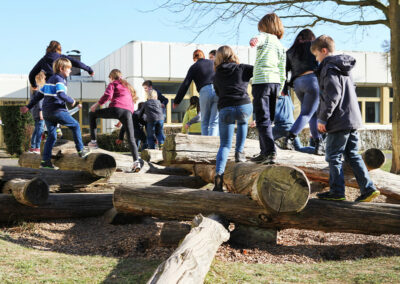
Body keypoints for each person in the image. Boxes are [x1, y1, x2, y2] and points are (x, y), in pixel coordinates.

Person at [311, 35, 380, 202]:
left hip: (338, 120)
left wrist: (323, 118)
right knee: (352, 155)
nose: (316, 59)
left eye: (316, 55)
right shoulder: (344, 68)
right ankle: (368, 188)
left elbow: (333, 95)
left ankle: (337, 191)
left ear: (324, 51)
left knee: (333, 156)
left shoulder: (329, 67)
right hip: (351, 118)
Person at [20, 58, 90, 169]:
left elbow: (38, 96)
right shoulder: (60, 79)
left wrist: (28, 107)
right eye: (69, 69)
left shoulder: (49, 80)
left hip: (47, 113)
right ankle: (81, 150)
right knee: (75, 125)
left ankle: (45, 161)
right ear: (61, 68)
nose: (70, 71)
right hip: (57, 110)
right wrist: (71, 100)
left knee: (52, 137)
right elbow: (61, 94)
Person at [212, 45, 253, 191]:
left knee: (224, 145)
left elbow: (217, 93)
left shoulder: (216, 75)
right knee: (242, 123)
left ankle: (218, 175)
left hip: (225, 108)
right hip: (243, 105)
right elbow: (258, 71)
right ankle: (239, 153)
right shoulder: (242, 68)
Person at [249, 13, 286, 165]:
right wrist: (280, 88)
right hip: (275, 84)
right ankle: (264, 151)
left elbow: (260, 39)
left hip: (262, 82)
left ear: (265, 27)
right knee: (268, 120)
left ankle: (270, 152)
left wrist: (255, 40)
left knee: (261, 119)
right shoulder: (281, 46)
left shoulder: (265, 37)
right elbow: (283, 70)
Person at [88, 69, 141, 172]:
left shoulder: (113, 84)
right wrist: (121, 120)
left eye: (109, 79)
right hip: (128, 113)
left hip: (117, 109)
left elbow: (108, 95)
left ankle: (93, 142)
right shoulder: (127, 86)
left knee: (92, 114)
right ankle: (136, 162)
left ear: (111, 77)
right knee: (131, 138)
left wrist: (97, 104)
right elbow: (127, 105)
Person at [281, 29, 324, 155]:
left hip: (298, 83)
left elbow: (284, 71)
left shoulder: (290, 51)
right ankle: (290, 138)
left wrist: (284, 89)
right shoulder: (314, 47)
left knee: (312, 114)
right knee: (306, 114)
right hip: (312, 81)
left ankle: (318, 145)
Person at [173, 49, 219, 136]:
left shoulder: (194, 67)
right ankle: (214, 146)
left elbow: (185, 84)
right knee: (214, 121)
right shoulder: (213, 63)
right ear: (204, 57)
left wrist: (177, 101)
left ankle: (206, 146)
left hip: (205, 91)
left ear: (194, 59)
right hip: (217, 90)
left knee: (205, 121)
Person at [29, 40, 94, 89]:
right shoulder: (62, 57)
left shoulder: (43, 60)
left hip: (49, 86)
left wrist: (34, 85)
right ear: (59, 49)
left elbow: (32, 74)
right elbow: (77, 62)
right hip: (61, 84)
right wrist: (89, 70)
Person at [28, 71, 46, 154]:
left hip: (34, 111)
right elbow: (40, 101)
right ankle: (37, 147)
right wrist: (41, 111)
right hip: (39, 111)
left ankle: (33, 147)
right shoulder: (39, 87)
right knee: (40, 129)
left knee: (36, 129)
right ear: (42, 77)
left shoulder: (33, 87)